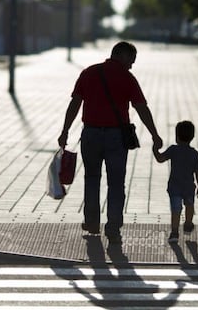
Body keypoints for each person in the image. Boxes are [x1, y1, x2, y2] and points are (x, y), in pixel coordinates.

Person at [58, 41, 163, 244]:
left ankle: (91, 222)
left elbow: (75, 103)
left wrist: (65, 131)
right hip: (116, 137)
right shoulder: (127, 77)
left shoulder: (89, 73)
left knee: (92, 178)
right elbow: (141, 107)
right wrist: (154, 134)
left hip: (90, 135)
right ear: (122, 56)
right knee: (116, 183)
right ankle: (113, 227)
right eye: (131, 61)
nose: (131, 65)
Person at [152, 120, 198, 243]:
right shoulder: (194, 154)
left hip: (174, 186)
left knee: (176, 209)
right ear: (192, 137)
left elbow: (160, 159)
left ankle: (174, 232)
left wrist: (155, 149)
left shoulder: (173, 150)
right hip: (189, 187)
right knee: (189, 205)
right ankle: (188, 223)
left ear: (177, 136)